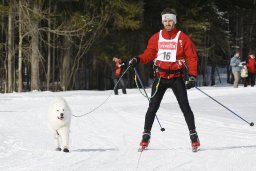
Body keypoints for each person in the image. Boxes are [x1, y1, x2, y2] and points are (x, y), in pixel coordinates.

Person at [129, 8, 200, 151]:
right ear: (163, 22)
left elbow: (192, 57)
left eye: (170, 20)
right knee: (152, 107)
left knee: (185, 107)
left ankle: (194, 136)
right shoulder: (156, 37)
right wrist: (138, 59)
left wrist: (192, 76)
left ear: (174, 21)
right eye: (165, 21)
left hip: (176, 77)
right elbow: (149, 54)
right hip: (160, 77)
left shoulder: (182, 37)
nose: (168, 23)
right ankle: (145, 136)